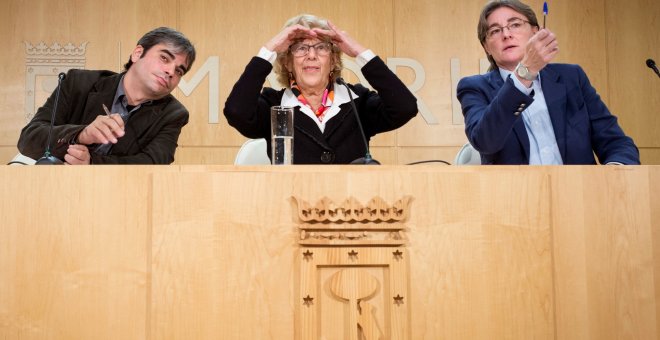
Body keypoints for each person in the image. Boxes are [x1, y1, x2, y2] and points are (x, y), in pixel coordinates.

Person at [457, 0, 639, 165]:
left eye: (515, 24)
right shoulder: (474, 88)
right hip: (515, 197)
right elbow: (485, 141)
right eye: (495, 31)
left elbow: (616, 143)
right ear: (486, 47)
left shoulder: (572, 77)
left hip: (580, 194)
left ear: (535, 32)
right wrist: (524, 74)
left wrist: (615, 175)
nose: (506, 34)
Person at [223, 14, 418, 164]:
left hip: (349, 210)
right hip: (291, 208)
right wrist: (269, 50)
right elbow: (236, 111)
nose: (311, 55)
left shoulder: (357, 101)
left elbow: (405, 107)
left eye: (321, 48)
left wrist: (359, 52)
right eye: (300, 48)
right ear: (288, 64)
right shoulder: (273, 105)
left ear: (333, 61)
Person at [17, 27, 196, 164]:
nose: (171, 71)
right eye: (164, 58)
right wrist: (81, 134)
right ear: (138, 53)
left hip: (121, 199)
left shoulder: (174, 114)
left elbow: (153, 163)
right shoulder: (78, 83)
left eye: (180, 70)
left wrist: (92, 162)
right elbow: (28, 139)